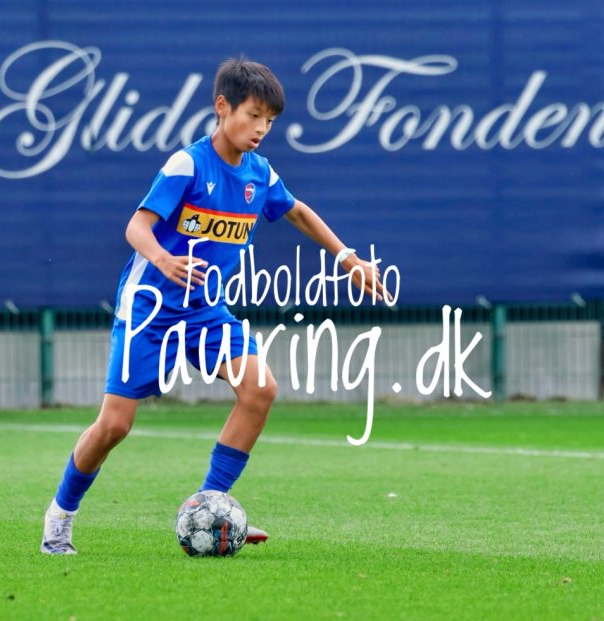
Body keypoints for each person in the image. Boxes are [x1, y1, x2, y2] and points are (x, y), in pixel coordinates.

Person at [41, 57, 387, 555]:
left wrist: (348, 258)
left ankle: (210, 507)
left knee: (260, 389)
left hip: (205, 312)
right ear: (222, 107)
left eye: (270, 120)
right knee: (115, 425)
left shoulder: (259, 173)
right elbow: (137, 226)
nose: (262, 128)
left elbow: (297, 212)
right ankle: (60, 517)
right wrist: (163, 259)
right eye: (253, 115)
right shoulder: (188, 165)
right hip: (149, 310)